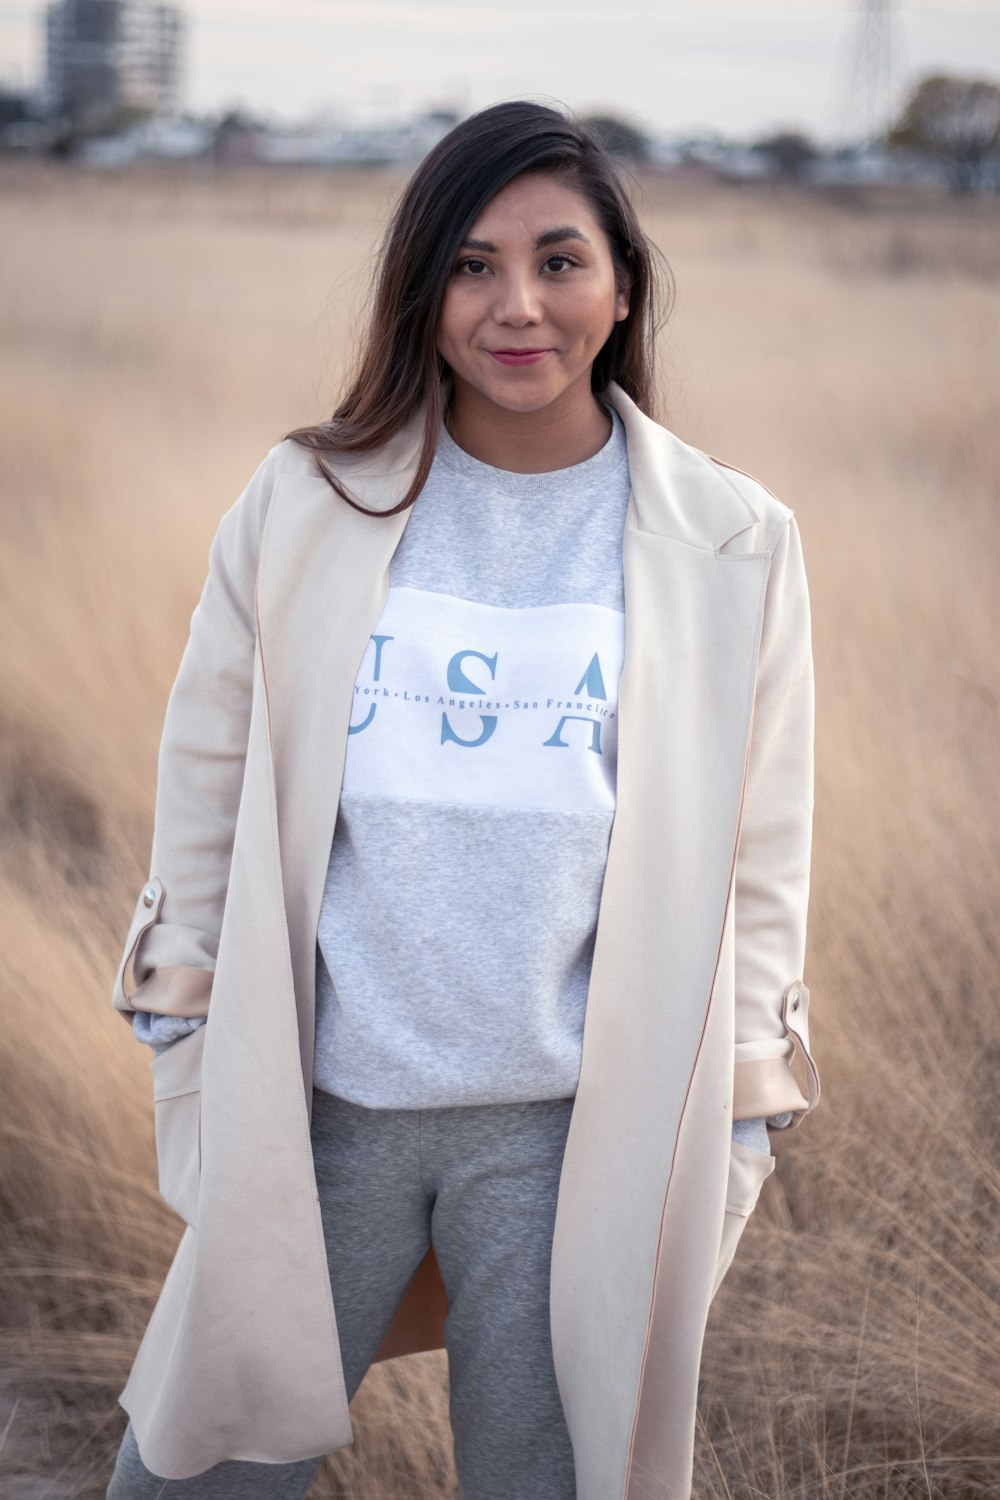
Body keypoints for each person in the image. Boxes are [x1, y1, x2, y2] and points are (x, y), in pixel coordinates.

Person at [106, 100, 818, 1500]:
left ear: (621, 289)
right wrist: (179, 1030)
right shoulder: (306, 499)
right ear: (423, 291)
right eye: (473, 265)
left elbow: (766, 858)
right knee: (183, 1477)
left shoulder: (734, 540)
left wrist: (743, 1126)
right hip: (321, 1106)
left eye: (559, 262)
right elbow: (205, 772)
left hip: (569, 1139)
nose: (517, 307)